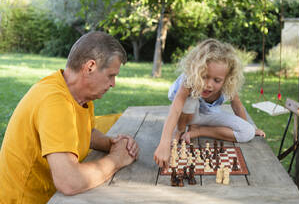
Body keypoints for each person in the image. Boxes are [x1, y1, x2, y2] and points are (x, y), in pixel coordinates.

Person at [0, 31, 139, 203]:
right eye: (111, 75)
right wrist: (116, 160)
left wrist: (110, 143)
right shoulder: (55, 101)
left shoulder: (79, 95)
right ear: (90, 67)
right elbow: (69, 181)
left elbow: (83, 131)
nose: (113, 84)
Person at [154, 39, 265, 168]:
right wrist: (164, 142)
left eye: (217, 80)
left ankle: (198, 131)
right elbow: (176, 108)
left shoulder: (228, 84)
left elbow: (237, 105)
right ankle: (180, 130)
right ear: (196, 71)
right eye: (204, 76)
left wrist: (250, 127)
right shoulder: (189, 79)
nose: (209, 85)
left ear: (226, 79)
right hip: (185, 116)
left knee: (248, 132)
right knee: (189, 99)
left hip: (208, 116)